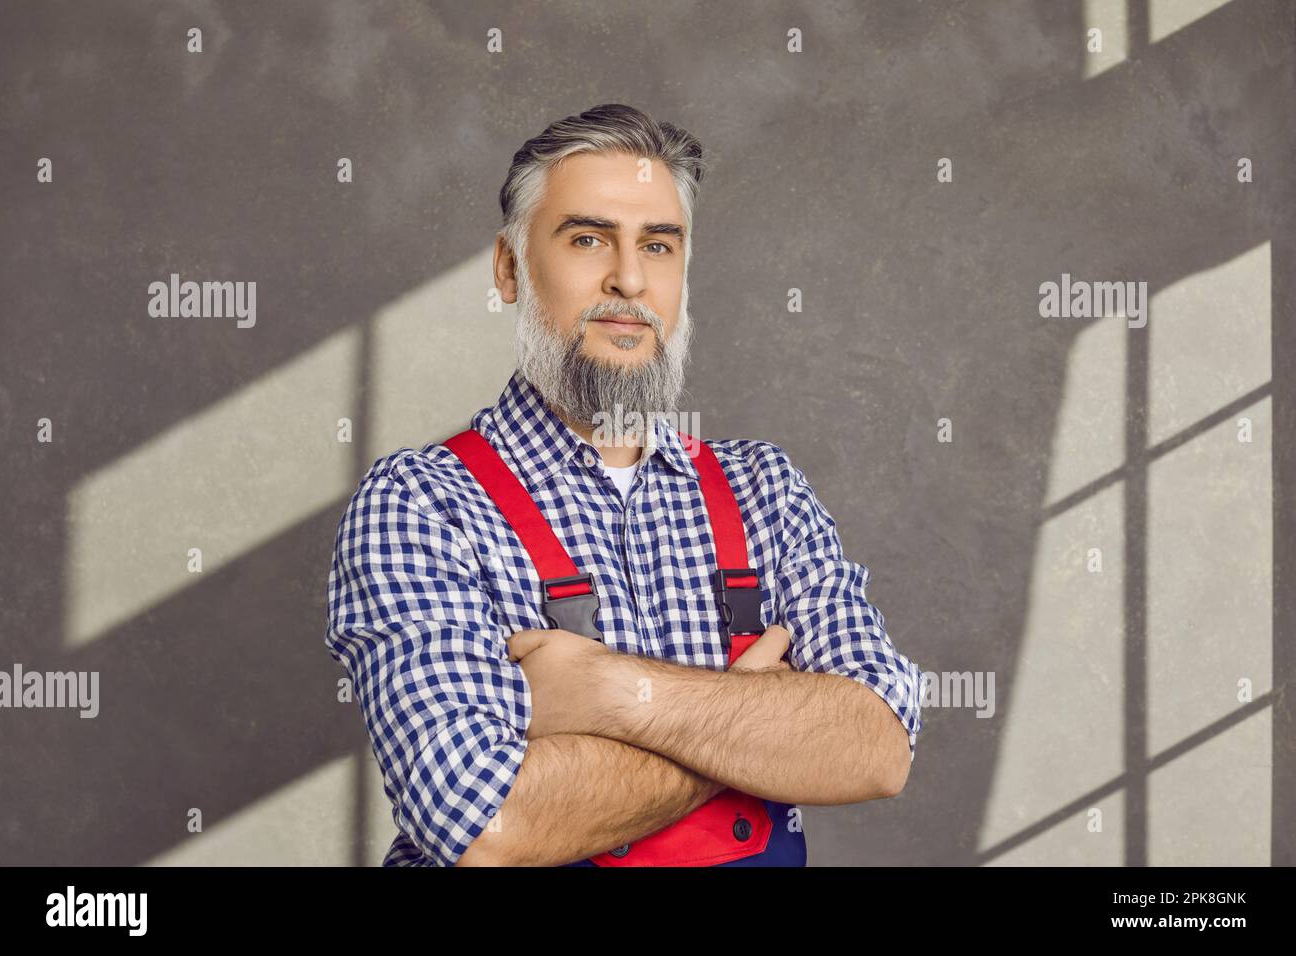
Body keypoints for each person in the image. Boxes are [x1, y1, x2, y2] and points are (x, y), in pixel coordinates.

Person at [325, 103, 923, 867]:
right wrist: (754, 714)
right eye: (586, 239)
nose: (630, 280)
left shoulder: (763, 489)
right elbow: (488, 825)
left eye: (660, 245)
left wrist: (605, 694)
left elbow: (876, 746)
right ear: (510, 268)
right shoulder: (422, 506)